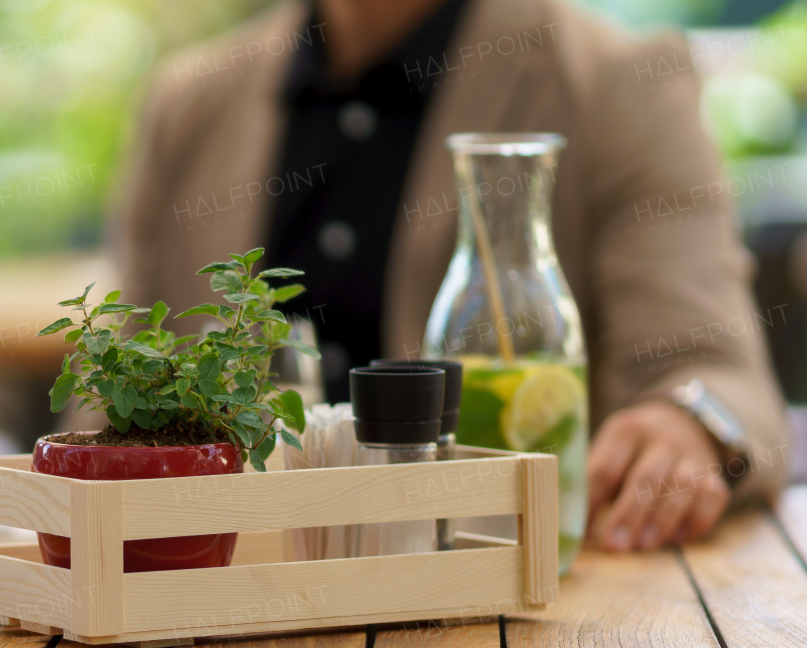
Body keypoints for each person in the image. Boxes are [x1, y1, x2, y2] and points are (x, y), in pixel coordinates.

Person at [106, 0, 788, 552]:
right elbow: (114, 401)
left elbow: (718, 374)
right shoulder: (188, 105)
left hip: (516, 627)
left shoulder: (615, 81)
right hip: (225, 614)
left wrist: (690, 425)